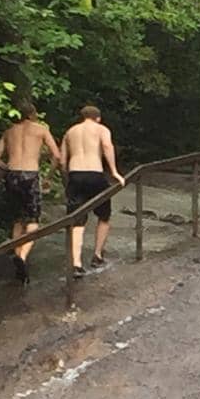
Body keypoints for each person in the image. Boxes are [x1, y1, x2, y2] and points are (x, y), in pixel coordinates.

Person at [0, 99, 61, 279]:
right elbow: (57, 155)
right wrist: (48, 177)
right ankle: (22, 255)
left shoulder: (9, 132)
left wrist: (6, 168)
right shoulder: (41, 130)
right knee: (33, 220)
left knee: (17, 219)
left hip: (12, 175)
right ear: (33, 114)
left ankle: (16, 252)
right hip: (30, 175)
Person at [59, 105, 125, 278]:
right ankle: (97, 254)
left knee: (77, 220)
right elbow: (107, 146)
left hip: (75, 175)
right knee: (104, 216)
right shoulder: (101, 129)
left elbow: (62, 160)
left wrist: (65, 179)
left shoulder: (70, 132)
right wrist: (114, 171)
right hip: (95, 174)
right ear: (98, 117)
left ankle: (76, 263)